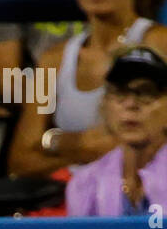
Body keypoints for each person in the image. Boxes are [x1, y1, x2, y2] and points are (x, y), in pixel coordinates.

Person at [8, 0, 167, 176]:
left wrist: (58, 143)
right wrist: (82, 147)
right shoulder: (52, 60)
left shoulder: (160, 45)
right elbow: (20, 160)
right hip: (72, 203)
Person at [67, 46, 167, 214]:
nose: (131, 104)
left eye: (146, 92)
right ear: (105, 104)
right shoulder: (85, 184)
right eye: (120, 92)